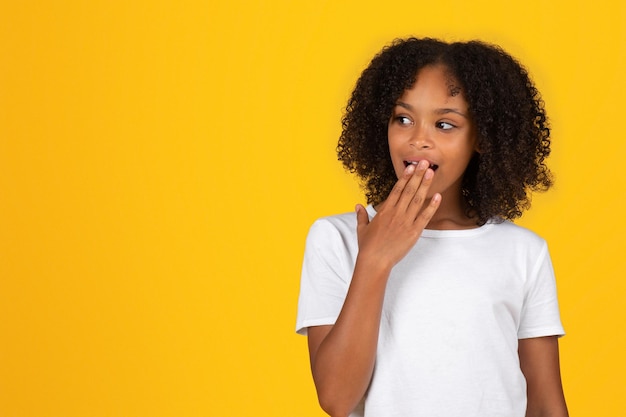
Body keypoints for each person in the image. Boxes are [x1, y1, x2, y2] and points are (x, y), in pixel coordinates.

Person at [295, 37, 568, 417]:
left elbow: (545, 405)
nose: (418, 139)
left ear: (482, 139)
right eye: (403, 118)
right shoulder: (335, 239)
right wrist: (374, 260)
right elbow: (336, 399)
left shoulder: (524, 252)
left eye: (444, 124)